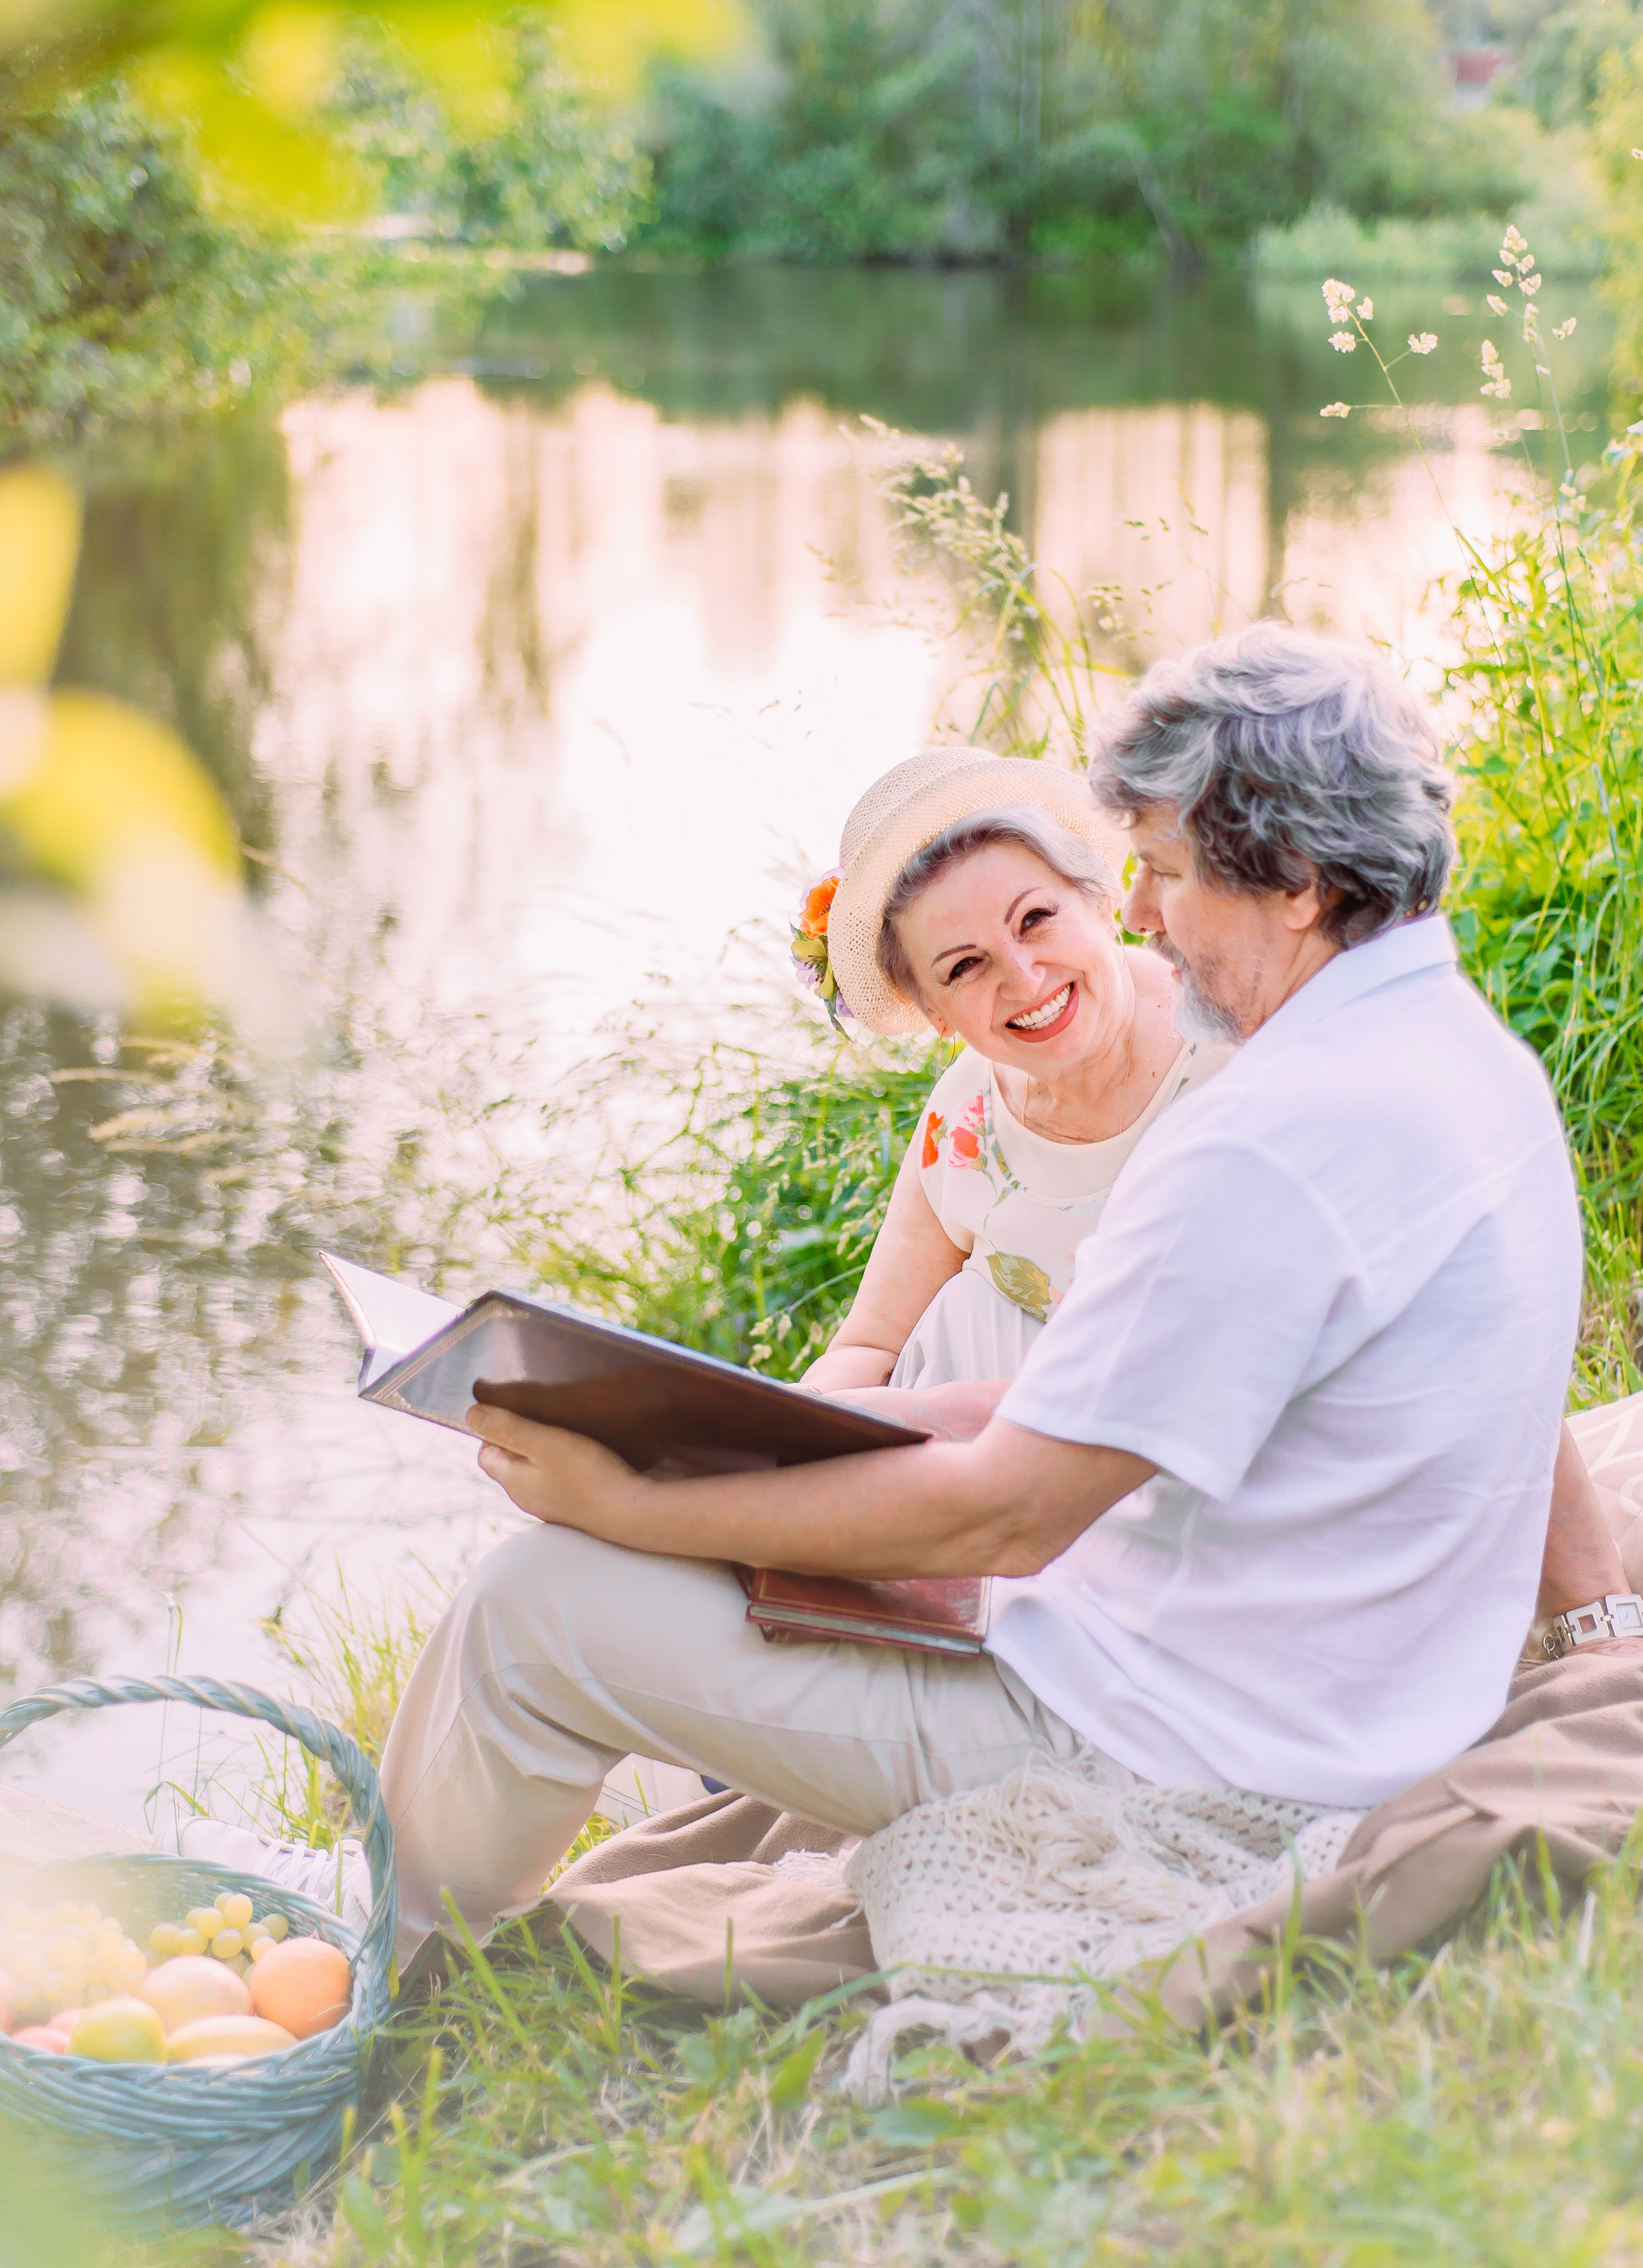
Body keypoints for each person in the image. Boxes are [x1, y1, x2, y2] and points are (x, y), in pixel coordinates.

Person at [190, 626, 1630, 1964]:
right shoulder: (1458, 1057)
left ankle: (403, 1975)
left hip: (1167, 1742)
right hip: (1306, 1688)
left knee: (536, 1607)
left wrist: (632, 1508)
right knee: (743, 1546)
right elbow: (1114, 1415)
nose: (1136, 909)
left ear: (1299, 882)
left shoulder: (1261, 1140)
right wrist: (1592, 1629)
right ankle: (422, 1904)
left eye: (1166, 870)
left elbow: (1005, 1512)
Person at [791, 750, 1233, 1394]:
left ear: (1101, 899)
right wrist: (781, 1433)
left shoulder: (1239, 1045)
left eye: (1035, 919)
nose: (1024, 981)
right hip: (972, 1464)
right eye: (963, 968)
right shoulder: (962, 1116)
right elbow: (871, 1344)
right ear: (934, 1014)